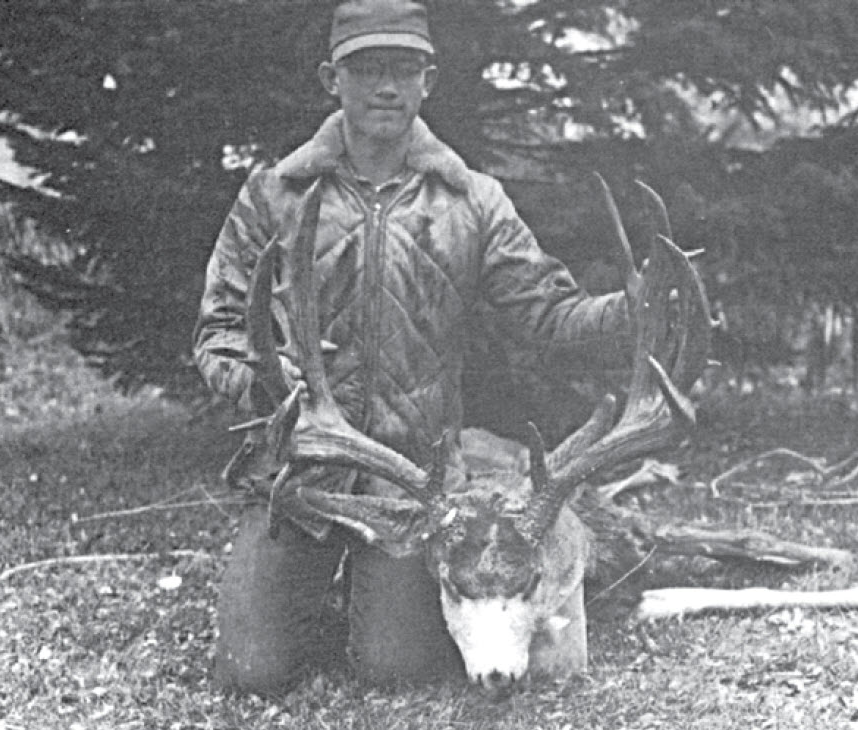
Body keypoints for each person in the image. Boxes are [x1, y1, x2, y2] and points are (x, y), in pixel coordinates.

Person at [193, 0, 633, 695]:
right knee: (251, 674)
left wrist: (629, 312)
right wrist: (262, 379)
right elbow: (215, 330)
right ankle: (310, 593)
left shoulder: (471, 201)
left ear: (428, 81)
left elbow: (547, 313)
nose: (386, 88)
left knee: (393, 670)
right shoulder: (273, 194)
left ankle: (365, 601)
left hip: (417, 494)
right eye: (366, 69)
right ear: (329, 79)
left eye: (403, 69)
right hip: (297, 477)